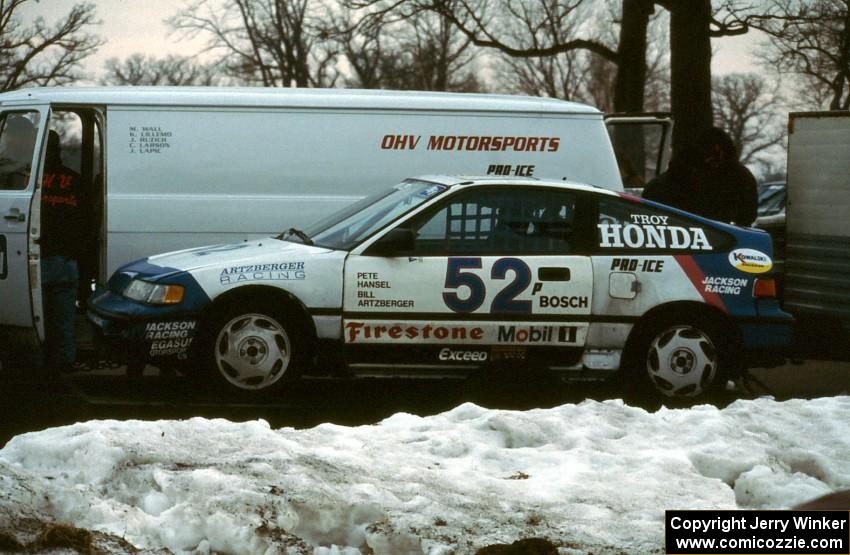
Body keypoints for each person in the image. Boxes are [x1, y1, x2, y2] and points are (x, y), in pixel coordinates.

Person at [40, 130, 88, 373]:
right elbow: (85, 223)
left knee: (37, 320)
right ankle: (63, 369)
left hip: (36, 259)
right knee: (63, 323)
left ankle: (39, 367)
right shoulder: (75, 180)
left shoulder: (24, 179)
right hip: (66, 260)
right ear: (58, 150)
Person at [691, 127, 758, 226]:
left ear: (725, 151)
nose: (709, 159)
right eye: (706, 154)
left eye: (715, 153)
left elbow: (748, 214)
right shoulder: (697, 174)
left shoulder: (740, 176)